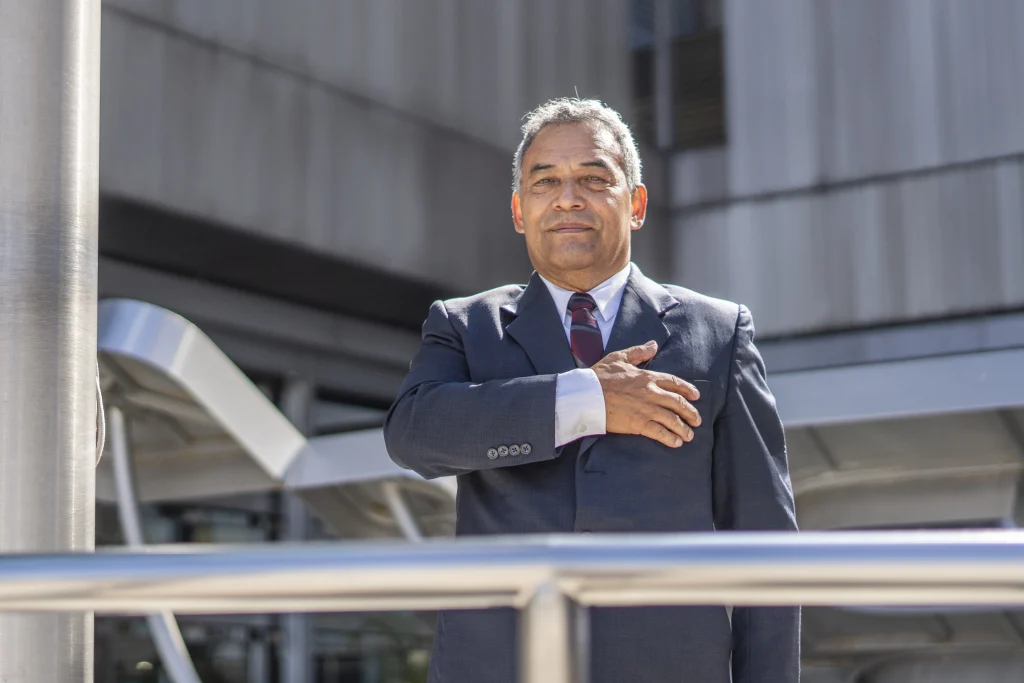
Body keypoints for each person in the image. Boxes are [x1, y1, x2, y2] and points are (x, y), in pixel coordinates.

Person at [384, 98, 799, 683]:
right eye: (545, 181)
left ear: (636, 204)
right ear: (519, 210)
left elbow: (764, 541)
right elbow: (413, 434)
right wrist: (585, 400)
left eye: (594, 179)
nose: (568, 198)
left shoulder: (719, 332)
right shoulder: (464, 326)